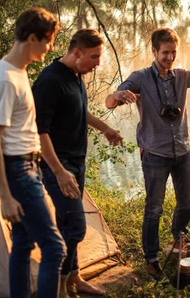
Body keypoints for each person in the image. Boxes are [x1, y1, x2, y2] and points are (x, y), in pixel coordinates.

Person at [104, 27, 190, 280]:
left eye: (173, 53)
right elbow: (109, 102)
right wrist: (117, 95)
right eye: (165, 53)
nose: (170, 58)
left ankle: (179, 240)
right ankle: (151, 258)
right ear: (154, 51)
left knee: (186, 204)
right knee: (154, 209)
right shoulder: (139, 78)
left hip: (184, 151)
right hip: (155, 154)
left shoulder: (182, 76)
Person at [32, 29, 123, 297]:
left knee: (66, 224)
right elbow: (40, 132)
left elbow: (82, 110)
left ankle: (75, 278)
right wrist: (59, 172)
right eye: (94, 57)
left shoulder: (76, 76)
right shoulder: (49, 81)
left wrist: (105, 128)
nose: (97, 63)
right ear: (77, 52)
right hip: (58, 166)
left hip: (77, 163)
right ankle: (59, 286)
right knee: (75, 227)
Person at [0, 7, 66, 298]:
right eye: (48, 40)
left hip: (27, 167)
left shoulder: (17, 73)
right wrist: (5, 196)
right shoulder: (6, 79)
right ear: (32, 38)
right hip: (18, 170)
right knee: (55, 248)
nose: (51, 47)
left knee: (22, 242)